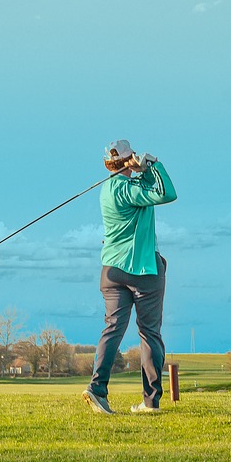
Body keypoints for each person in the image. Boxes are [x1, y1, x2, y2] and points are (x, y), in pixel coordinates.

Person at [81, 139, 177, 414]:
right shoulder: (130, 189)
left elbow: (147, 190)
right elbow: (167, 193)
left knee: (112, 329)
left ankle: (97, 389)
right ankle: (151, 402)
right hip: (142, 269)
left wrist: (139, 170)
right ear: (127, 160)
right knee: (149, 333)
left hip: (111, 271)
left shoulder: (107, 189)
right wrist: (153, 165)